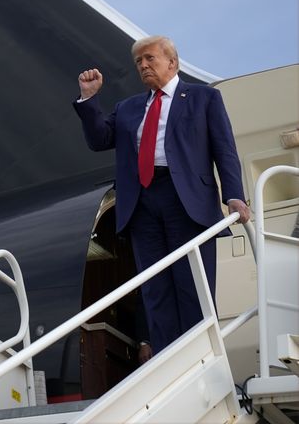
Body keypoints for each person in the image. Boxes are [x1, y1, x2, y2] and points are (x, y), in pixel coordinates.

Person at [73, 35, 251, 355]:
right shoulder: (128, 108)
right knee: (155, 288)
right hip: (141, 202)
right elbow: (100, 139)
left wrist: (234, 195)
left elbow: (224, 150)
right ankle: (169, 360)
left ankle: (199, 356)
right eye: (139, 61)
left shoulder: (203, 98)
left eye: (150, 58)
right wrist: (89, 100)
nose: (143, 65)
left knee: (191, 284)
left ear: (172, 62)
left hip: (186, 199)